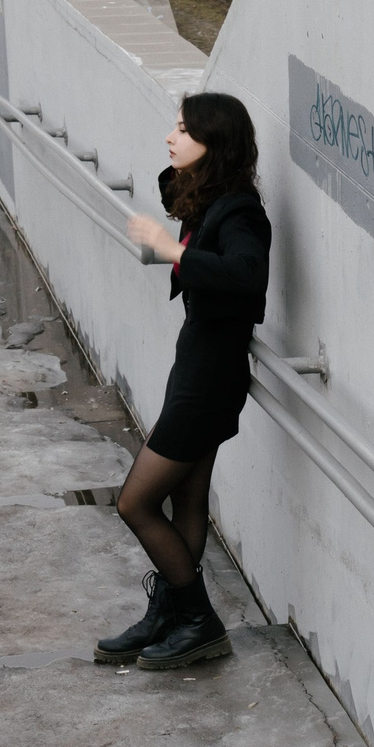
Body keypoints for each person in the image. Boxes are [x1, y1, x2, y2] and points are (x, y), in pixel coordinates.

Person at [96, 95, 270, 670]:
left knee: (135, 502)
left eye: (183, 130)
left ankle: (198, 619)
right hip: (195, 367)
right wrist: (189, 162)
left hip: (210, 378)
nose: (170, 138)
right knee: (185, 497)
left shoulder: (240, 212)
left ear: (214, 143)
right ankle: (171, 613)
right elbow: (173, 192)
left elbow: (247, 277)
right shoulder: (210, 198)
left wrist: (170, 248)